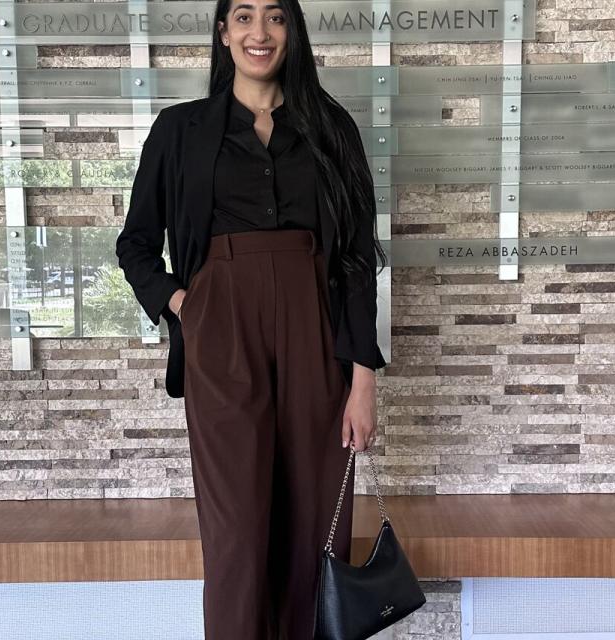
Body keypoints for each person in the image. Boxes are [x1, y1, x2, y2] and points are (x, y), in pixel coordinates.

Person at [114, 0, 388, 636]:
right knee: (236, 529)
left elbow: (353, 259)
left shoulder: (331, 128)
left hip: (315, 331)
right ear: (223, 33)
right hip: (223, 330)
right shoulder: (180, 130)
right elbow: (135, 244)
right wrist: (188, 307)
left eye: (274, 16)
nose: (258, 32)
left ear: (292, 31)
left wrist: (363, 379)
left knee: (316, 520)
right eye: (243, 16)